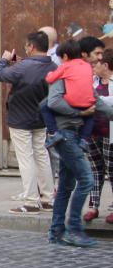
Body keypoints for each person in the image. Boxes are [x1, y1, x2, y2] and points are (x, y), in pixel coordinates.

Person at [0, 31, 56, 214]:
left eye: (27, 46)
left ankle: (30, 201)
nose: (26, 49)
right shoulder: (51, 65)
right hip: (41, 118)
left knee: (26, 159)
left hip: (20, 118)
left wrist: (3, 60)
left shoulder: (24, 67)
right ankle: (47, 198)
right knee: (42, 157)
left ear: (31, 47)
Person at [45, 75, 96, 248]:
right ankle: (74, 229)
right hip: (66, 136)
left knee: (66, 184)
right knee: (87, 179)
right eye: (94, 54)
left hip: (72, 135)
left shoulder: (82, 80)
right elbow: (47, 104)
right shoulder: (66, 79)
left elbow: (101, 106)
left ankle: (57, 231)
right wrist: (79, 112)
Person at [42, 41, 95, 149]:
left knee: (44, 107)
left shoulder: (65, 66)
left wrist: (49, 73)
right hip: (88, 101)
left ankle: (53, 133)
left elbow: (50, 79)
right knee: (90, 116)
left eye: (60, 58)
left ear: (65, 56)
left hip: (72, 102)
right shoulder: (87, 66)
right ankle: (84, 140)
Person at [84, 48, 112, 224]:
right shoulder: (92, 82)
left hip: (110, 131)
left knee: (112, 169)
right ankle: (93, 206)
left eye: (98, 63)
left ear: (106, 66)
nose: (94, 65)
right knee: (95, 169)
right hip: (92, 131)